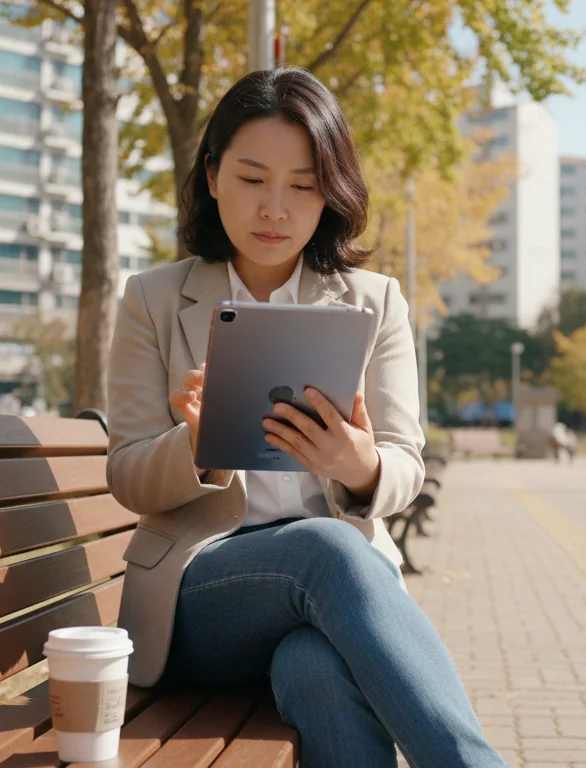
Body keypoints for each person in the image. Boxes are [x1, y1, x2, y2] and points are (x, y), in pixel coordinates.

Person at [105, 68, 508, 768]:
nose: (275, 208)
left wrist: (357, 464)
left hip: (333, 605)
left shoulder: (374, 302)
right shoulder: (153, 300)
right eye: (253, 178)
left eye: (302, 185)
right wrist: (197, 448)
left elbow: (405, 461)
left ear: (331, 193)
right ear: (210, 175)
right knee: (327, 548)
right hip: (199, 600)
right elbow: (128, 475)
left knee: (313, 668)